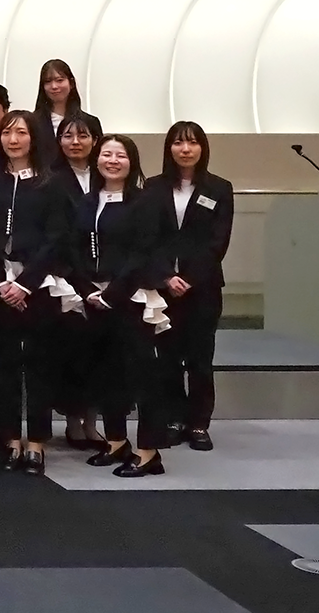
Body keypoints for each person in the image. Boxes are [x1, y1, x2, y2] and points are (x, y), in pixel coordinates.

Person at [70, 134, 170, 478]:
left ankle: (148, 451)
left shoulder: (144, 202)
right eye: (106, 154)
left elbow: (142, 253)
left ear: (132, 162)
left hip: (131, 296)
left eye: (121, 155)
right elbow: (73, 250)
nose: (112, 161)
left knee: (142, 375)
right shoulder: (87, 201)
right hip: (94, 297)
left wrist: (112, 293)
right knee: (107, 372)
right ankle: (116, 441)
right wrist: (87, 289)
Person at [145, 121, 233, 452]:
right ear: (169, 148)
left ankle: (198, 423)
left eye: (193, 143)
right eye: (179, 143)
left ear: (202, 148)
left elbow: (218, 241)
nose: (185, 149)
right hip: (163, 288)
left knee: (200, 359)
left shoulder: (219, 188)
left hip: (203, 287)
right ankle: (174, 418)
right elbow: (148, 238)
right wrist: (166, 276)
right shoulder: (153, 187)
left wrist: (191, 278)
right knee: (167, 358)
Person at [0, 109, 65, 475]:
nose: (13, 140)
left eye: (21, 133)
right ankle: (8, 438)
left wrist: (25, 283)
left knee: (39, 364)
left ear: (34, 138)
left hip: (37, 285)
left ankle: (36, 441)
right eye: (7, 133)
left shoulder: (52, 183)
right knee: (4, 364)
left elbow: (56, 238)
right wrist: (1, 281)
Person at [51, 112, 102, 448]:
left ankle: (93, 422)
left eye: (83, 136)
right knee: (73, 354)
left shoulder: (108, 174)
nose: (75, 142)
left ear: (95, 140)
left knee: (102, 355)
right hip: (67, 279)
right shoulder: (50, 179)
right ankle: (72, 421)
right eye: (68, 136)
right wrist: (80, 283)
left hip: (107, 278)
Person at [35, 59, 102, 139]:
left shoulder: (90, 122)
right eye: (48, 81)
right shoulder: (32, 122)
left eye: (59, 80)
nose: (54, 86)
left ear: (71, 83)